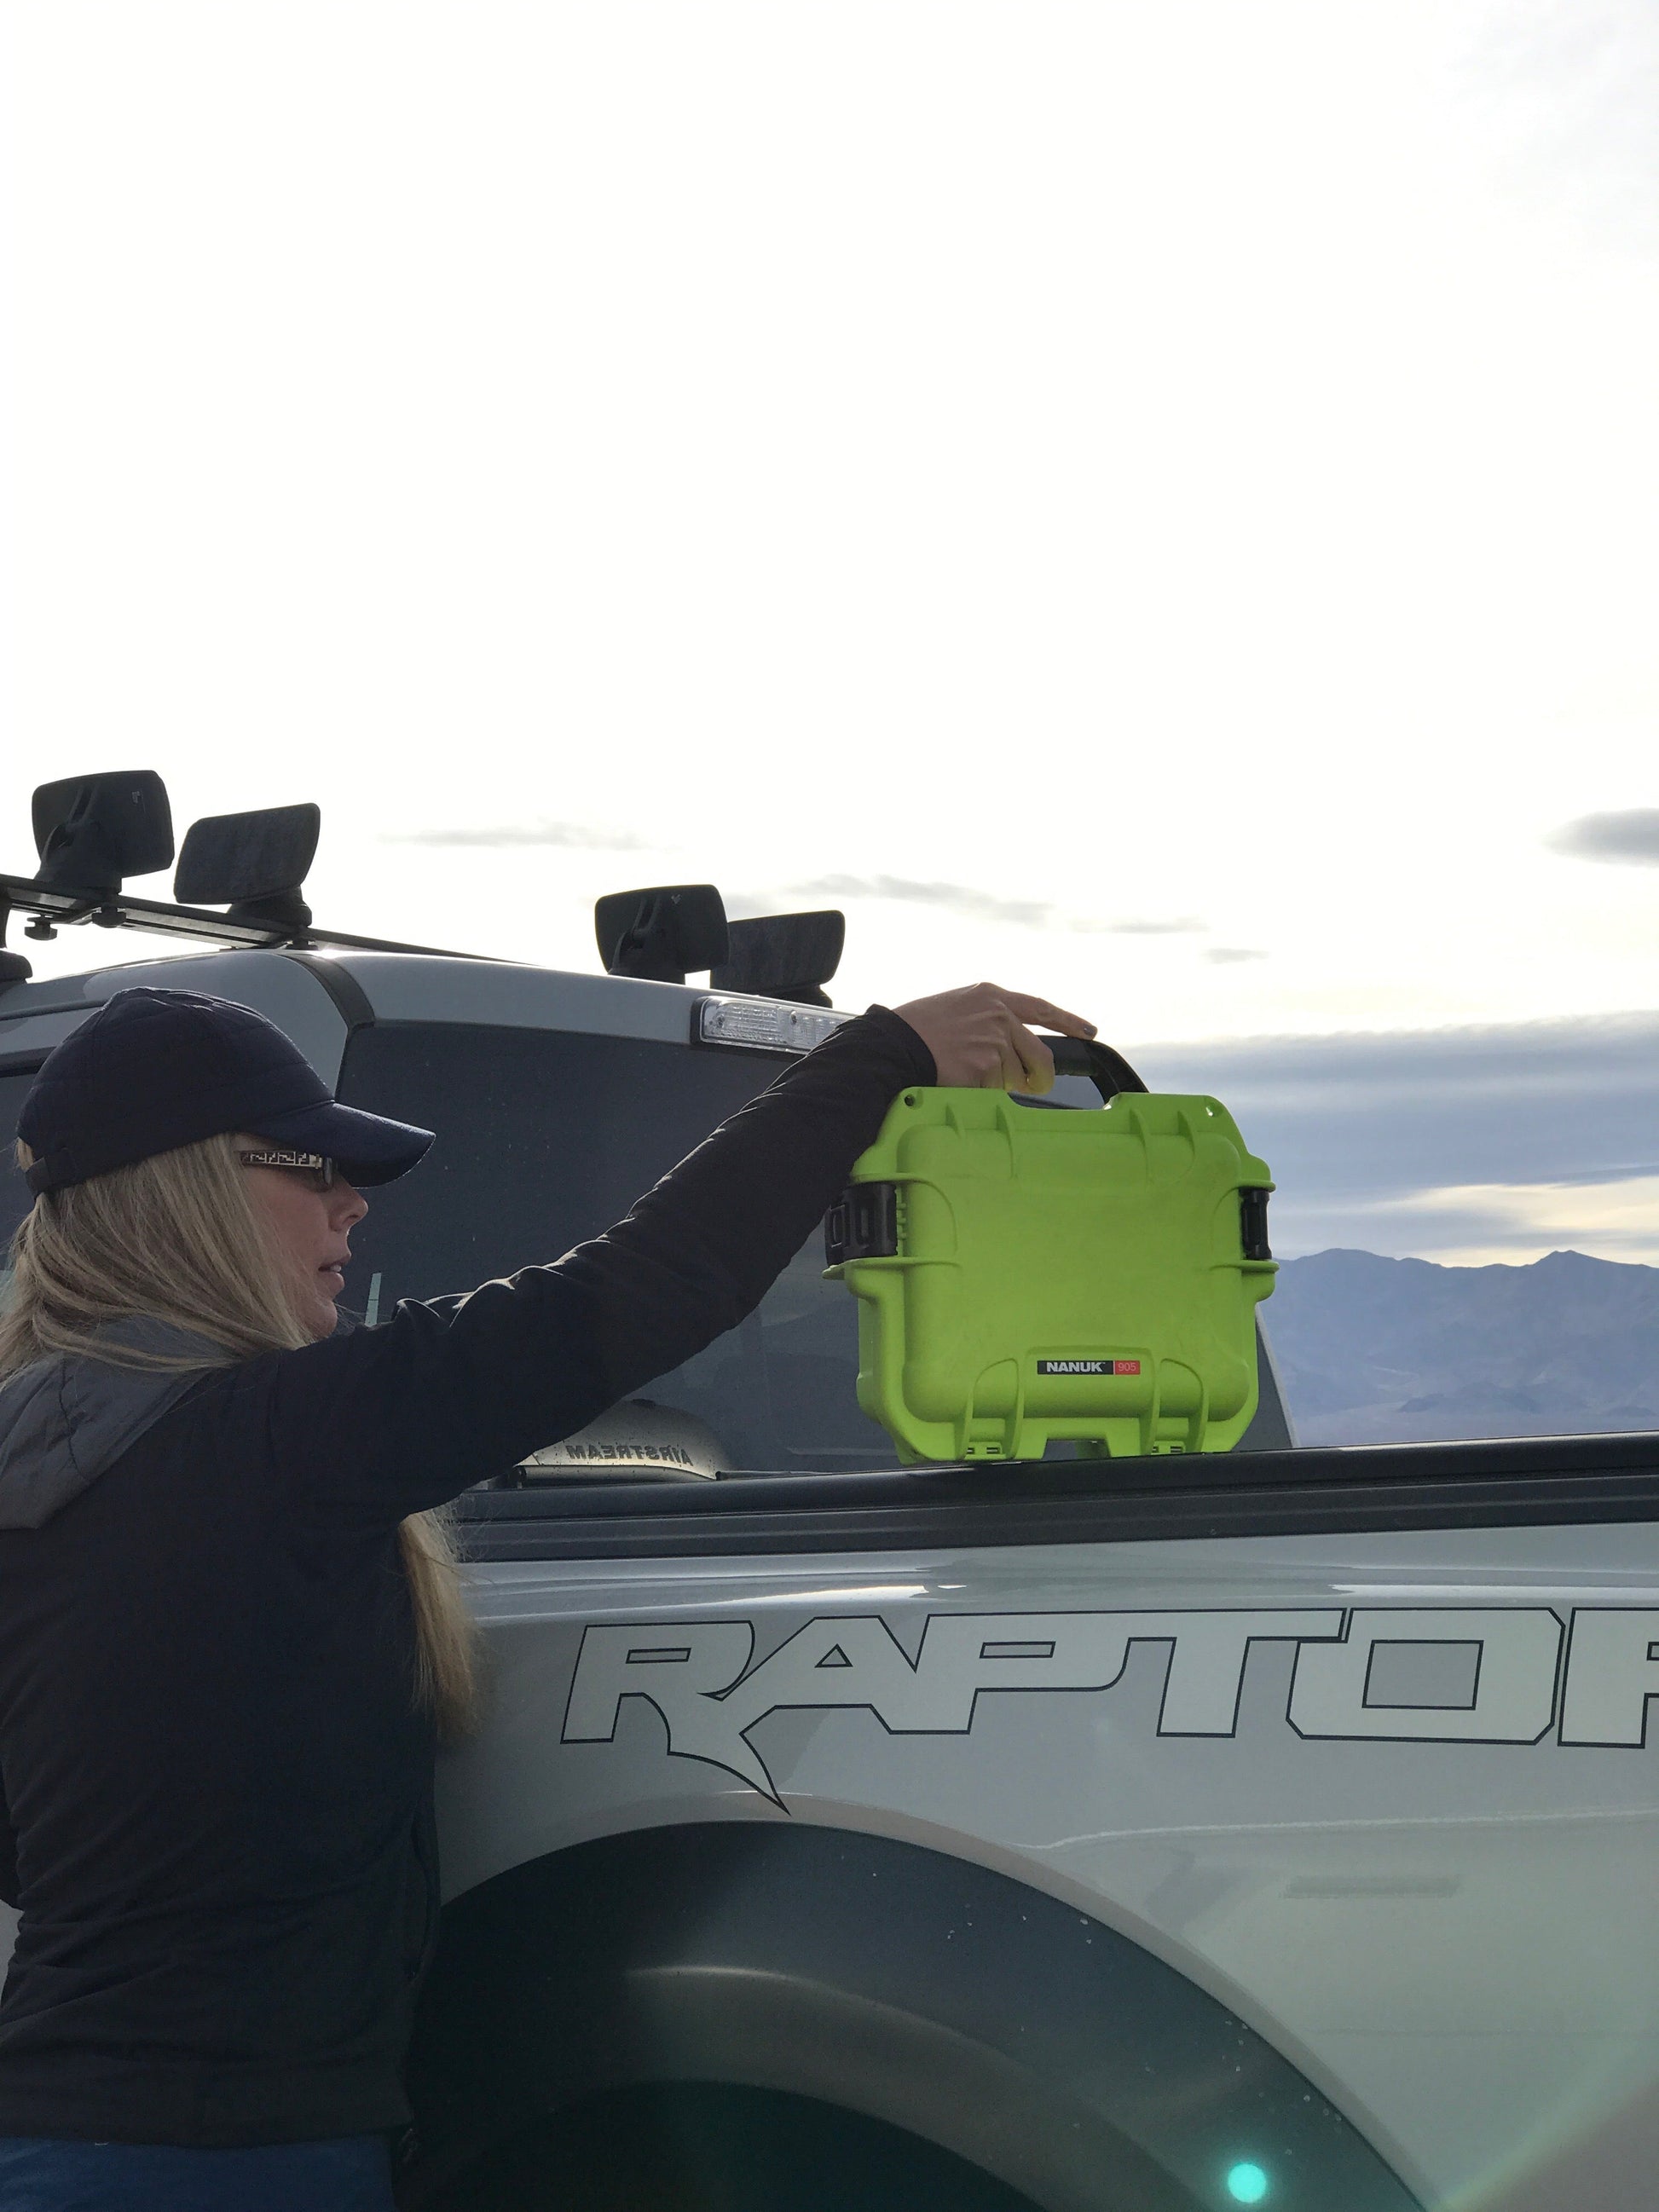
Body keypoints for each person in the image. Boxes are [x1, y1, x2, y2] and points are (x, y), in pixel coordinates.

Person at [0, 977, 1093, 2212]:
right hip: (235, 2162)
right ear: (185, 1194)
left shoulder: (43, 1464)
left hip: (61, 2134)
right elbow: (641, 1288)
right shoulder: (276, 1443)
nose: (354, 1202)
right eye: (312, 1166)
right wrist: (877, 1055)